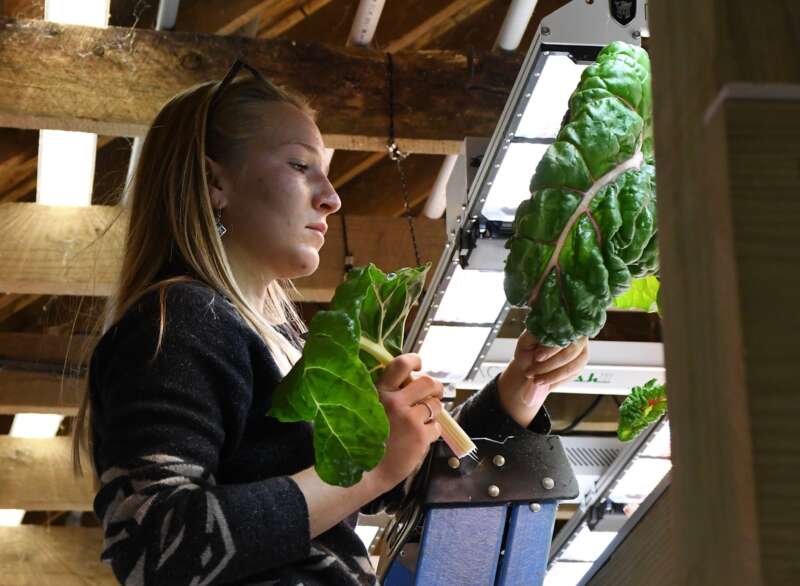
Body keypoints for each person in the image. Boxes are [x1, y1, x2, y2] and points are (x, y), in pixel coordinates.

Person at [71, 59, 588, 586]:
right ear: (213, 182)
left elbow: (402, 485)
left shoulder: (286, 343)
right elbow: (158, 546)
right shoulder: (176, 322)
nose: (332, 197)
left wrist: (519, 391)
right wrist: (370, 472)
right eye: (300, 166)